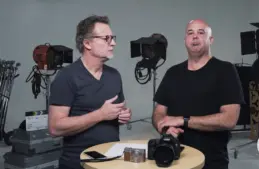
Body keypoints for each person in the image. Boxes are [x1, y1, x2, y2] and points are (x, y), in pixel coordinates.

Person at [152, 19, 244, 169]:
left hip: (211, 161)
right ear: (185, 40)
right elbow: (159, 112)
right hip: (173, 158)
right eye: (190, 33)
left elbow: (230, 119)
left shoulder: (225, 70)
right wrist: (163, 127)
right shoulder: (172, 73)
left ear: (211, 39)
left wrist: (183, 120)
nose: (195, 36)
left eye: (201, 32)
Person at [48, 15, 132, 169]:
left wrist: (121, 115)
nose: (113, 43)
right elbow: (55, 127)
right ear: (87, 43)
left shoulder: (114, 75)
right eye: (106, 38)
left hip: (111, 162)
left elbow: (114, 113)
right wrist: (100, 115)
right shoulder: (67, 77)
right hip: (78, 163)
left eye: (113, 38)